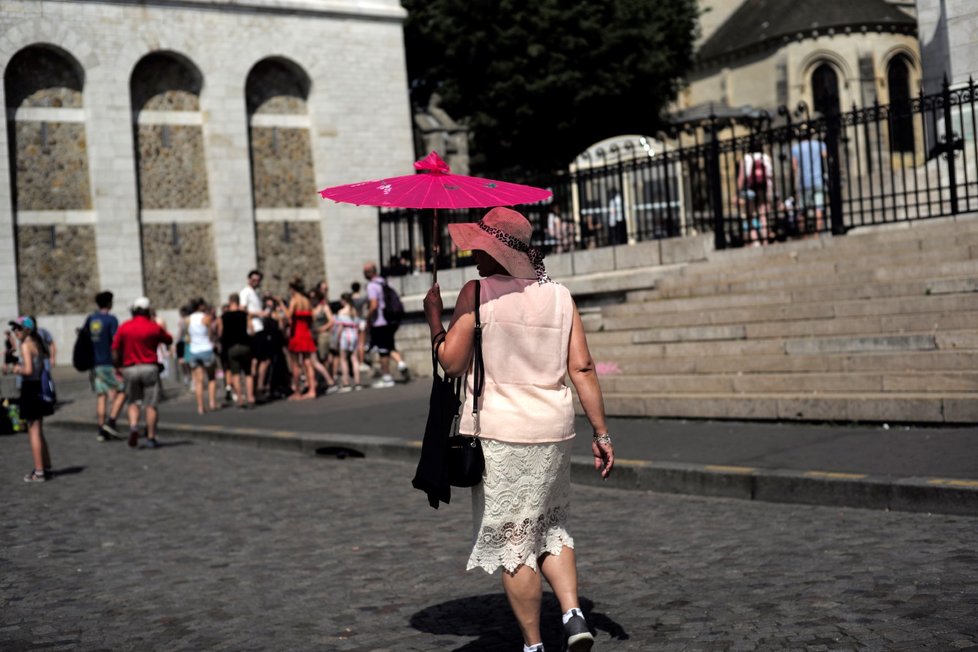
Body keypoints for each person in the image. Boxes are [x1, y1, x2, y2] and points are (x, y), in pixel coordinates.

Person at [422, 207, 615, 652]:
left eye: (481, 248)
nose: (474, 255)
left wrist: (435, 319)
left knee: (515, 540)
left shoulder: (478, 292)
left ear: (500, 252)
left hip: (502, 433)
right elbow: (582, 367)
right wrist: (601, 433)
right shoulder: (560, 296)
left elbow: (451, 362)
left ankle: (533, 645)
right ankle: (572, 614)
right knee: (551, 526)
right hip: (554, 428)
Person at [112, 296, 173, 448]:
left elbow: (114, 349)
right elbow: (168, 339)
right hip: (149, 367)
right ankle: (151, 437)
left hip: (130, 368)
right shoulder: (153, 327)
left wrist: (118, 366)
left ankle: (133, 426)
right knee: (151, 404)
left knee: (133, 401)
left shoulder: (125, 327)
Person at [3, 316, 54, 482]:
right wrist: (12, 349)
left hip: (30, 390)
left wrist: (13, 369)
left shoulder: (26, 345)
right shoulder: (36, 343)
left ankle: (39, 472)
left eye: (18, 328)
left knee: (33, 431)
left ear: (26, 330)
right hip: (38, 387)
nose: (16, 331)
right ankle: (45, 467)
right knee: (39, 431)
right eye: (14, 328)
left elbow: (28, 370)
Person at [86, 291, 127, 441]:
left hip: (95, 363)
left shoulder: (91, 319)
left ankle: (101, 430)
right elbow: (116, 343)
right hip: (108, 363)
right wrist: (119, 364)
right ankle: (112, 421)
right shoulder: (111, 320)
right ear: (109, 303)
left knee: (101, 395)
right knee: (123, 390)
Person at [363, 262, 409, 388]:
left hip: (379, 322)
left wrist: (367, 318)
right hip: (389, 320)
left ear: (368, 273)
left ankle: (387, 377)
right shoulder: (383, 281)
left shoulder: (372, 286)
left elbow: (373, 305)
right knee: (389, 346)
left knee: (383, 350)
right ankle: (401, 364)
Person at [218, 293, 255, 409]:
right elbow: (251, 330)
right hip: (245, 345)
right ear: (238, 302)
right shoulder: (245, 315)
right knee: (248, 373)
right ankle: (250, 396)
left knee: (235, 373)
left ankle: (239, 398)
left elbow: (220, 333)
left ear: (230, 302)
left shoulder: (223, 317)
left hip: (231, 347)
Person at [182, 298, 218, 414]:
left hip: (194, 350)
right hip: (206, 348)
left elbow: (187, 334)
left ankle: (200, 407)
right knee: (211, 377)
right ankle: (212, 402)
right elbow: (211, 334)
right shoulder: (206, 318)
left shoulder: (188, 319)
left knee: (198, 381)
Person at [286, 277, 318, 400]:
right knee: (308, 362)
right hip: (306, 333)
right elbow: (312, 318)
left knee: (295, 364)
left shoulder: (295, 300)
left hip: (296, 334)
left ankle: (298, 392)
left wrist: (282, 306)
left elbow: (288, 315)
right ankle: (312, 390)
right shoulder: (306, 300)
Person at [791, 127, 828, 234]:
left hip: (804, 182)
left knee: (802, 211)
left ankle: (804, 234)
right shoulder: (819, 144)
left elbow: (795, 167)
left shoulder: (796, 148)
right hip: (818, 180)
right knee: (818, 208)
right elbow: (826, 156)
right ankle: (817, 233)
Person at [737, 143, 773, 245]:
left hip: (751, 189)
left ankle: (755, 240)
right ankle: (765, 240)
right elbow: (770, 176)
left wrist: (738, 192)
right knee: (763, 215)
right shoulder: (765, 157)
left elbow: (741, 177)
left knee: (751, 216)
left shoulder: (746, 158)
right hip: (763, 189)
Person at [333, 292, 363, 391]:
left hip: (345, 335)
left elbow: (340, 327)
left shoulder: (341, 312)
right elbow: (359, 326)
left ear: (343, 300)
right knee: (354, 359)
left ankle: (346, 383)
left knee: (343, 359)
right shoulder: (354, 311)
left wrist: (336, 339)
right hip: (354, 334)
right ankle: (358, 382)